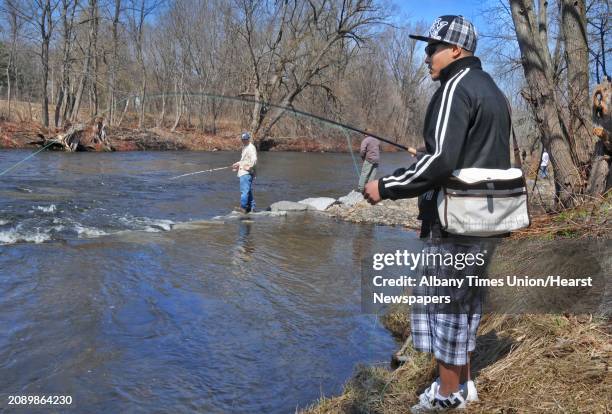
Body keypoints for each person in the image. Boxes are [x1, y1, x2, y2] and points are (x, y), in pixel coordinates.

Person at [364, 15, 511, 412]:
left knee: (444, 308)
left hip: (456, 225)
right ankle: (463, 387)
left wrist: (386, 186)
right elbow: (472, 156)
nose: (426, 56)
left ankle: (448, 396)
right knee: (463, 306)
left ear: (456, 51)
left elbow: (443, 162)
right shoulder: (492, 90)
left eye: (432, 48)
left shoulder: (454, 88)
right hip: (486, 221)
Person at [232, 132, 257, 213]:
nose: (244, 141)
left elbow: (254, 159)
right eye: (243, 139)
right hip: (243, 171)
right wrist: (237, 164)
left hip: (246, 172)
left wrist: (249, 167)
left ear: (248, 139)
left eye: (245, 139)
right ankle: (252, 207)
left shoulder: (251, 147)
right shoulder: (245, 147)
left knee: (244, 191)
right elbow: (244, 160)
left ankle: (243, 208)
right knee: (248, 190)